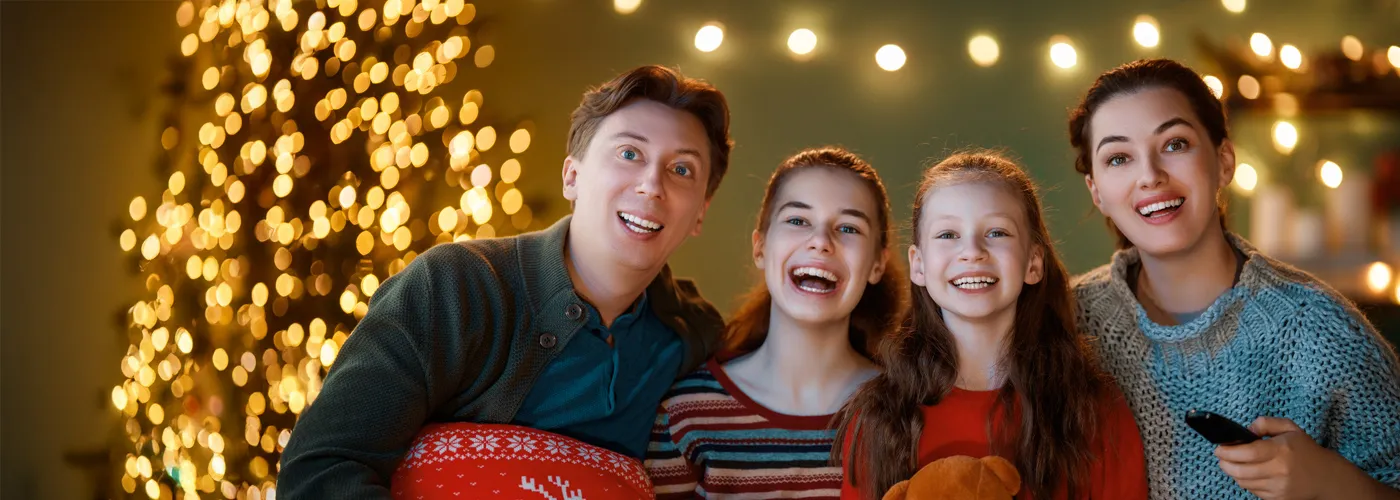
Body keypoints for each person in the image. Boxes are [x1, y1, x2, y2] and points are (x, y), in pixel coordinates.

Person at [279, 65, 732, 498]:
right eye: (629, 154)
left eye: (682, 169)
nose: (652, 184)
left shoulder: (695, 339)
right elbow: (324, 467)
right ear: (572, 177)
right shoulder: (456, 288)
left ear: (700, 215)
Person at [1069, 58, 1400, 499]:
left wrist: (1329, 481)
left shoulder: (1319, 331)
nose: (1150, 175)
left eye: (1175, 144)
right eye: (1119, 157)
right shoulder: (1062, 323)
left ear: (1224, 160)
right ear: (1097, 192)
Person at [838, 152, 1147, 500]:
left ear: (1033, 262)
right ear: (918, 264)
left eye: (997, 232)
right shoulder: (879, 419)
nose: (972, 251)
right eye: (947, 234)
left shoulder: (1095, 412)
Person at [647, 147, 905, 499]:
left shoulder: (907, 409)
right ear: (760, 247)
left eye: (848, 227)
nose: (820, 242)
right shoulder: (684, 414)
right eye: (798, 221)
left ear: (877, 263)